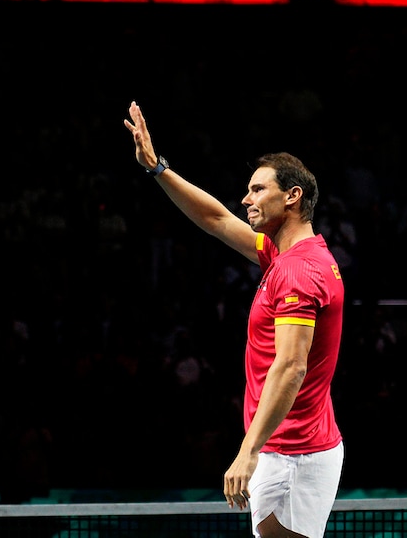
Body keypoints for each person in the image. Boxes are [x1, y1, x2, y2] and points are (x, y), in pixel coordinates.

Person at [123, 101, 345, 538]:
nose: (246, 199)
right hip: (286, 449)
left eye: (258, 189)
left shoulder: (298, 270)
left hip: (291, 455)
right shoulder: (284, 255)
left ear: (293, 196)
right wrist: (157, 168)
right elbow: (216, 218)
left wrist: (248, 452)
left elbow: (292, 366)